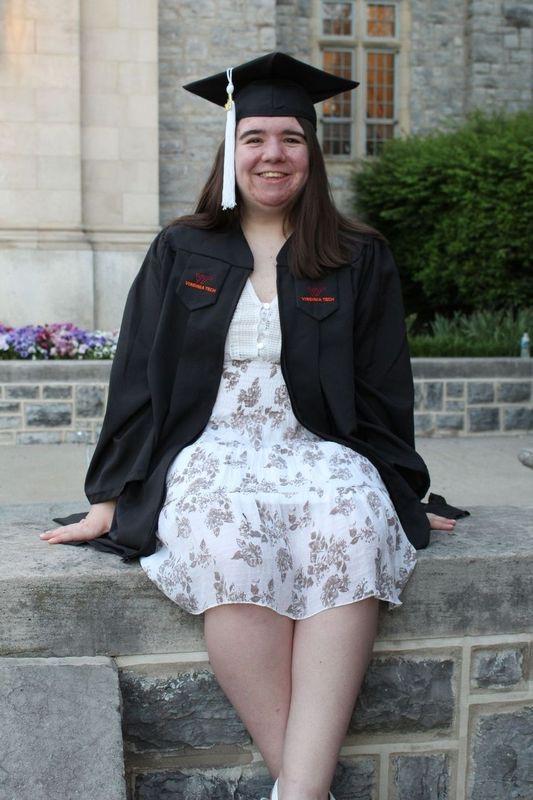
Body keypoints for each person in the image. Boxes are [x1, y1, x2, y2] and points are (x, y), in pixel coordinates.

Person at [41, 52, 467, 800]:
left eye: (291, 139)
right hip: (211, 451)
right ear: (230, 149)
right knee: (226, 531)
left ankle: (297, 791)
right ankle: (307, 789)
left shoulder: (356, 255)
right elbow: (135, 379)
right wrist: (110, 497)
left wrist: (400, 489)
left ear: (312, 152)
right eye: (255, 138)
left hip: (322, 449)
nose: (274, 154)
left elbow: (383, 388)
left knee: (354, 521)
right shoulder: (182, 248)